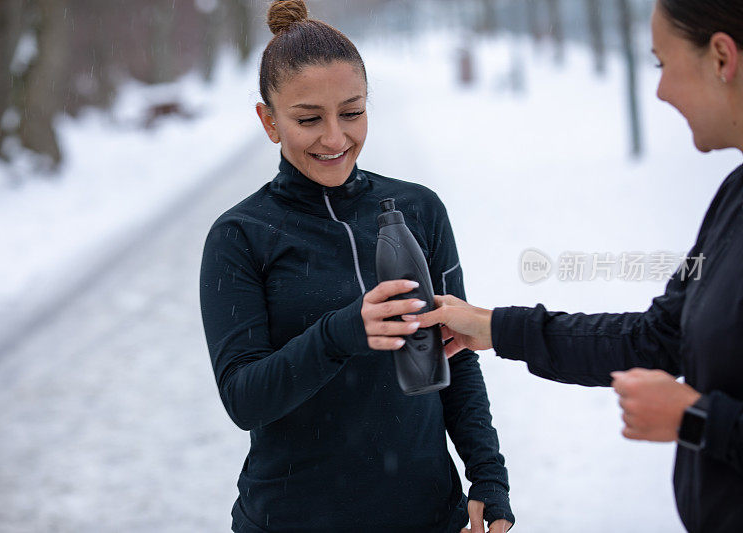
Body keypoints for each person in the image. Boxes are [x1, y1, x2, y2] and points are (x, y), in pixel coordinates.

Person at [400, 1, 743, 532]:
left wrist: (697, 422)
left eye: (661, 63)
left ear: (721, 56)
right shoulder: (733, 199)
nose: (660, 90)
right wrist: (494, 328)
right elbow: (653, 339)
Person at [199, 1, 514, 532]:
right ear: (269, 120)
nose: (335, 138)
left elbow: (455, 356)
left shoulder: (420, 209)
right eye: (307, 119)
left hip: (430, 515)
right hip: (291, 520)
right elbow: (244, 398)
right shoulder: (240, 236)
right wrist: (343, 332)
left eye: (351, 112)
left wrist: (488, 476)